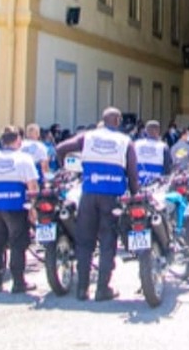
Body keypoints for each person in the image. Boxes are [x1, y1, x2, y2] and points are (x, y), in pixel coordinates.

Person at [56, 107, 139, 301]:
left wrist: (66, 168)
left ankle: (82, 289)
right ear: (118, 121)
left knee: (84, 242)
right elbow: (133, 174)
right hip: (112, 197)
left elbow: (60, 149)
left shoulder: (88, 137)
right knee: (107, 242)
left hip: (89, 194)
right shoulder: (125, 141)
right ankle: (102, 289)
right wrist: (134, 194)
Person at [0, 128, 39, 293]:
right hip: (16, 205)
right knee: (17, 243)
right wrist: (33, 207)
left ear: (2, 141)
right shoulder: (24, 158)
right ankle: (18, 282)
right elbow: (32, 185)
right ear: (17, 140)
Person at [134, 120, 172, 187]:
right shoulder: (163, 147)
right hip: (156, 186)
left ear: (145, 131)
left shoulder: (136, 144)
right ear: (158, 131)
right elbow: (167, 169)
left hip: (138, 184)